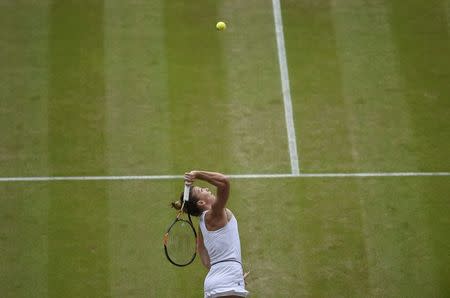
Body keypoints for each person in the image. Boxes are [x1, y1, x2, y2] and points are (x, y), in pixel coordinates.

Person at [171, 170, 249, 298]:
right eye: (202, 190)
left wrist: (227, 270)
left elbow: (205, 258)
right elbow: (224, 182)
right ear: (201, 203)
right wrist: (198, 174)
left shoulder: (202, 223)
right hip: (228, 283)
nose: (207, 188)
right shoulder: (215, 214)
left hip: (213, 284)